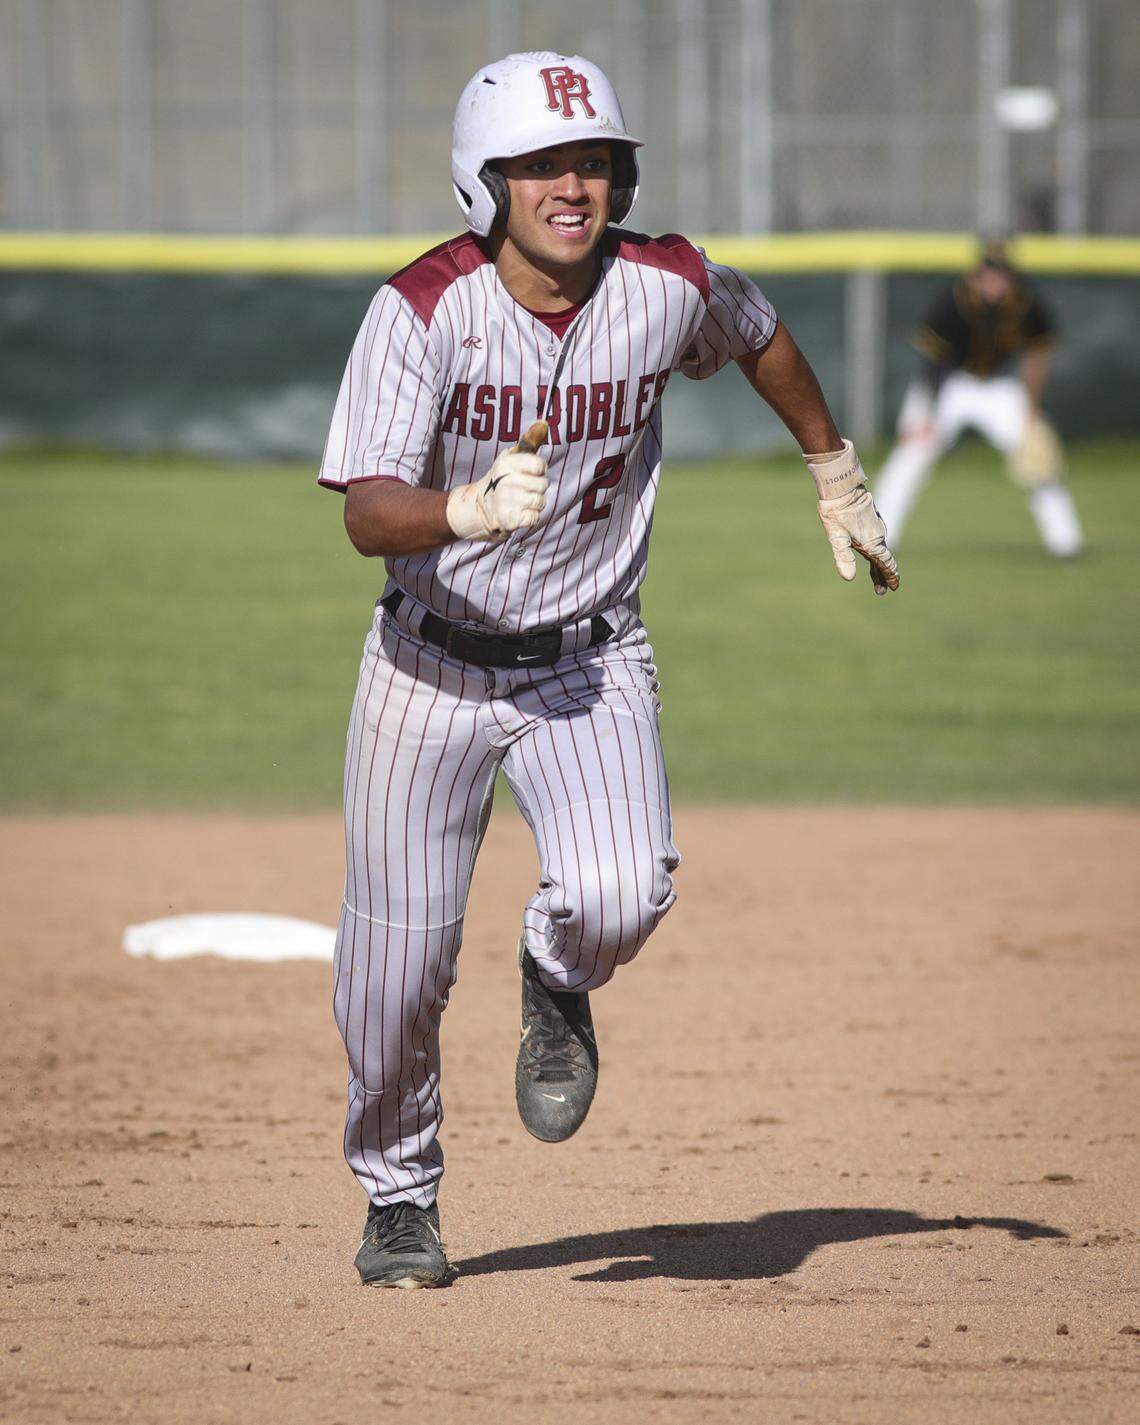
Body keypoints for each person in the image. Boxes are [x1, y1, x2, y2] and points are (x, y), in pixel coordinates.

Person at [318, 50, 898, 1290]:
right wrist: (465, 508)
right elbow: (367, 510)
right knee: (395, 976)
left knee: (622, 894)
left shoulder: (665, 284)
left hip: (588, 659)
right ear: (487, 183)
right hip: (426, 669)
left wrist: (832, 465)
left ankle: (554, 972)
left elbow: (758, 331)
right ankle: (400, 1198)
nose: (571, 187)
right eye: (540, 166)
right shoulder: (420, 309)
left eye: (592, 163)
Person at [873, 240, 1083, 557]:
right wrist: (927, 414)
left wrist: (1031, 408)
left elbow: (1038, 357)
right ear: (976, 275)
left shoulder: (1026, 303)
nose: (995, 282)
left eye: (1001, 276)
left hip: (999, 388)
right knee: (912, 452)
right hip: (949, 385)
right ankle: (879, 533)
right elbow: (933, 360)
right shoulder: (953, 299)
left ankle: (1066, 540)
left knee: (1036, 455)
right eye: (989, 275)